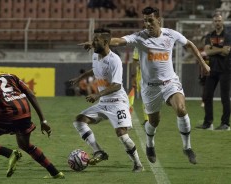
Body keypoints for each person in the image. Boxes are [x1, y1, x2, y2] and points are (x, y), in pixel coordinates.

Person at [80, 7, 210, 165]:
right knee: (154, 121)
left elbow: (189, 44)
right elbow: (119, 41)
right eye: (145, 21)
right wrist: (95, 44)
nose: (147, 24)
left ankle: (187, 147)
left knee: (181, 109)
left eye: (150, 20)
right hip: (150, 88)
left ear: (158, 20)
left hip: (170, 82)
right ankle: (150, 144)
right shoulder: (139, 37)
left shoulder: (171, 34)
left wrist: (203, 63)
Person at [0, 51, 64, 179]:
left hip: (7, 116)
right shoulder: (11, 76)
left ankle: (10, 154)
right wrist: (43, 121)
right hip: (25, 114)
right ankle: (55, 172)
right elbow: (31, 94)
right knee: (25, 145)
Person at [71, 28, 144, 172]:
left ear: (105, 42)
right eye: (93, 40)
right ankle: (99, 151)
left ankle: (137, 163)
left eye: (96, 40)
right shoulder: (95, 55)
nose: (93, 42)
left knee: (122, 134)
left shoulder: (114, 60)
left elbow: (117, 85)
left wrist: (97, 95)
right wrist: (80, 77)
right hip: (104, 103)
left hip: (118, 102)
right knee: (79, 121)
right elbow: (96, 69)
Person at [196, 13, 231, 130]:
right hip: (212, 69)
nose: (217, 23)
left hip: (225, 70)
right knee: (207, 96)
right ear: (213, 22)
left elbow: (226, 52)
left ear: (222, 21)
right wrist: (220, 49)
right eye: (215, 21)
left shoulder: (228, 35)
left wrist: (212, 49)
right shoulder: (209, 35)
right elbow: (206, 51)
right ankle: (208, 123)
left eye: (219, 21)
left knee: (224, 97)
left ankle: (225, 123)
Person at [131, 47, 148, 124]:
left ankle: (149, 118)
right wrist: (133, 76)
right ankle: (147, 118)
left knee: (147, 97)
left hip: (151, 73)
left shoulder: (138, 44)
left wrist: (133, 77)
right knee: (145, 97)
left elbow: (134, 60)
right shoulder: (138, 45)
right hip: (142, 74)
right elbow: (135, 60)